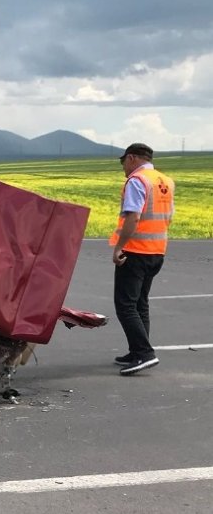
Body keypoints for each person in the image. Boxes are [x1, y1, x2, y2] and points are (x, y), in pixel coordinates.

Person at [109, 142, 174, 376]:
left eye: (123, 161)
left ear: (133, 158)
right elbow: (170, 216)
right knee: (139, 303)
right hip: (157, 250)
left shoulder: (138, 181)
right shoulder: (165, 181)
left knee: (125, 305)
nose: (123, 167)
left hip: (136, 251)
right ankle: (137, 351)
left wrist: (119, 247)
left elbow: (133, 218)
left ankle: (145, 353)